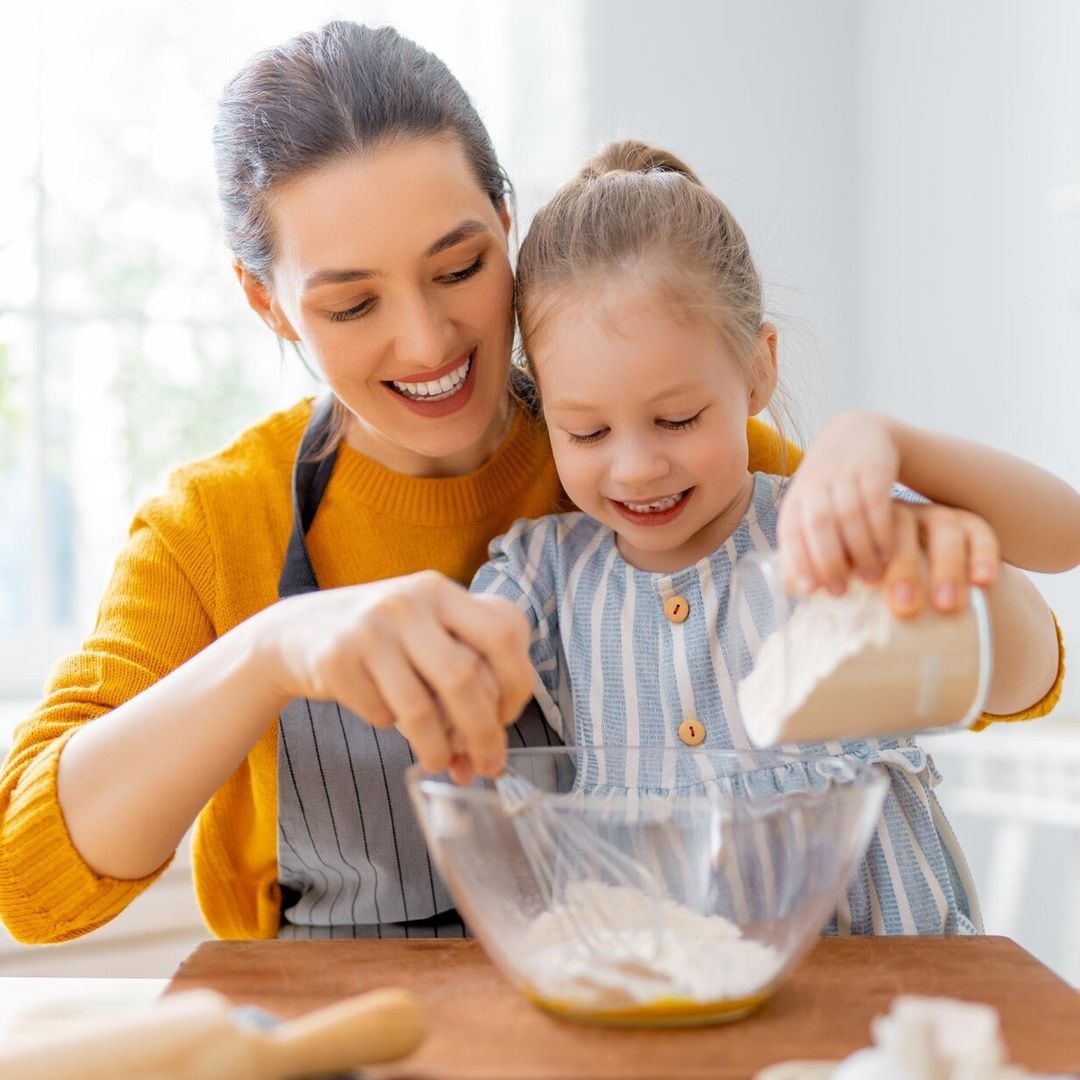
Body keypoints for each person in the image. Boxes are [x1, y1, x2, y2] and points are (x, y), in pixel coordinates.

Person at [0, 22, 1068, 944]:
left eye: (460, 267)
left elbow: (1018, 668)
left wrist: (926, 528)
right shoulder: (216, 526)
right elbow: (29, 879)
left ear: (507, 225)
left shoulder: (659, 448)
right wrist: (273, 653)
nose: (427, 341)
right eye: (350, 304)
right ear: (267, 303)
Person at [471, 139, 1078, 935]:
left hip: (885, 1001)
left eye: (677, 419)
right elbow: (462, 664)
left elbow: (1063, 540)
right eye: (584, 432)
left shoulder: (832, 529)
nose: (636, 466)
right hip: (683, 1016)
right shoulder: (546, 575)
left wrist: (888, 438)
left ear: (757, 370)